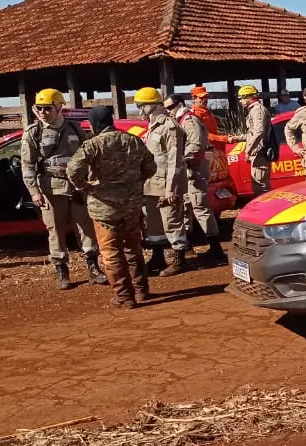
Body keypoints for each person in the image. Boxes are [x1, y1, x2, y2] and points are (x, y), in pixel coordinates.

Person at [66, 107, 157, 309]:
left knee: (111, 253)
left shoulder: (92, 145)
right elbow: (151, 167)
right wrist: (134, 182)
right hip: (132, 206)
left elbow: (73, 171)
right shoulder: (132, 140)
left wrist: (86, 187)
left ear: (93, 124)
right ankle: (141, 291)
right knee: (133, 248)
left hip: (104, 209)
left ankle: (124, 297)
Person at [19, 88, 108, 290]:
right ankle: (62, 271)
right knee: (55, 231)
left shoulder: (75, 128)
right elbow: (27, 165)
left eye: (47, 108)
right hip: (50, 189)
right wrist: (34, 191)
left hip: (77, 188)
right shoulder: (34, 133)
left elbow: (89, 156)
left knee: (85, 228)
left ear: (59, 107)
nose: (42, 112)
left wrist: (91, 182)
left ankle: (93, 268)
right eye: (39, 108)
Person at [134, 87, 189, 277]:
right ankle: (158, 257)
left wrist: (171, 189)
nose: (139, 109)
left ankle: (179, 259)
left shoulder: (170, 127)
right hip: (151, 184)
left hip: (167, 185)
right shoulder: (151, 127)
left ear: (153, 105)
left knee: (172, 221)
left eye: (141, 105)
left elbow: (174, 161)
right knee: (154, 224)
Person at [165, 94, 224, 263]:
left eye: (170, 107)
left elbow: (197, 143)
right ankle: (188, 247)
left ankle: (215, 248)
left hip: (194, 169)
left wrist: (181, 159)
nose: (168, 111)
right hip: (188, 169)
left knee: (200, 207)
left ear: (180, 104)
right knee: (185, 206)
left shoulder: (189, 120)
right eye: (166, 108)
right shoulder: (181, 119)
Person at [234, 84, 272, 196]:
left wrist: (248, 150)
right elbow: (252, 133)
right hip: (258, 152)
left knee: (261, 186)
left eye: (241, 98)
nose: (240, 101)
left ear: (249, 97)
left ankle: (265, 211)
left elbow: (259, 132)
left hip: (260, 152)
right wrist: (236, 138)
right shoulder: (253, 110)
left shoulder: (257, 110)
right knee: (258, 184)